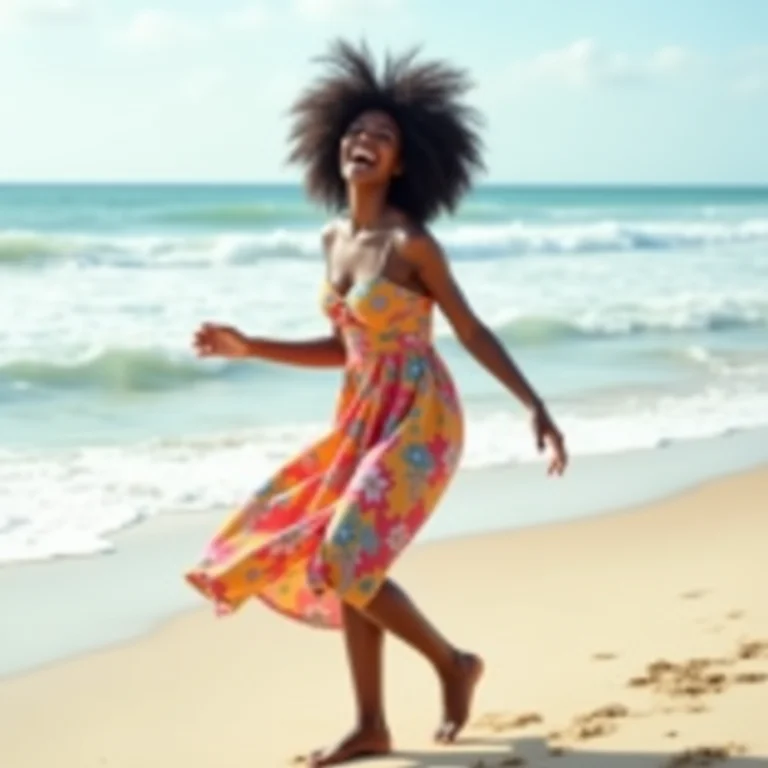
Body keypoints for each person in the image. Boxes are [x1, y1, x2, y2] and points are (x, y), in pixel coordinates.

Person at [185, 39, 568, 767]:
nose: (363, 140)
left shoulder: (411, 244)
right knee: (350, 562)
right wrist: (250, 346)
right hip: (362, 414)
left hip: (420, 417)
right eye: (356, 131)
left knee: (343, 555)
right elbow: (347, 348)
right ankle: (371, 725)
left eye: (382, 136)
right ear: (335, 147)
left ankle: (453, 664)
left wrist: (534, 404)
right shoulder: (333, 237)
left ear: (399, 163)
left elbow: (469, 328)